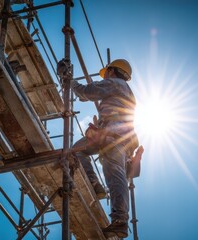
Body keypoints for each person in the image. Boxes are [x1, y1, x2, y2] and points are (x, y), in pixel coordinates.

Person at [71, 59, 139, 238]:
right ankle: (94, 184)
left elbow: (89, 92)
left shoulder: (117, 83)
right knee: (77, 151)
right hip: (114, 134)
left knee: (114, 171)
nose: (105, 76)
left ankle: (120, 221)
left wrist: (71, 83)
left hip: (115, 136)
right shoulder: (124, 90)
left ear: (113, 71)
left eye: (106, 72)